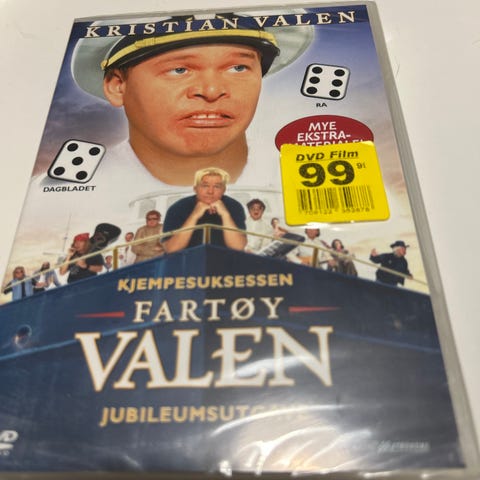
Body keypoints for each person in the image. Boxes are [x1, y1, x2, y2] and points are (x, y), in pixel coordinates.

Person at [70, 14, 312, 188]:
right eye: (179, 70)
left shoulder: (299, 171)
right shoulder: (77, 189)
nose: (212, 90)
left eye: (238, 67)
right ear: (117, 86)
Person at [162, 167, 246, 253]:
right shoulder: (178, 207)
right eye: (205, 186)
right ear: (195, 188)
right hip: (186, 259)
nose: (210, 191)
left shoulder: (234, 206)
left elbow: (238, 247)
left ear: (223, 190)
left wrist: (225, 215)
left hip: (223, 259)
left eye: (217, 187)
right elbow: (171, 249)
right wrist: (194, 216)